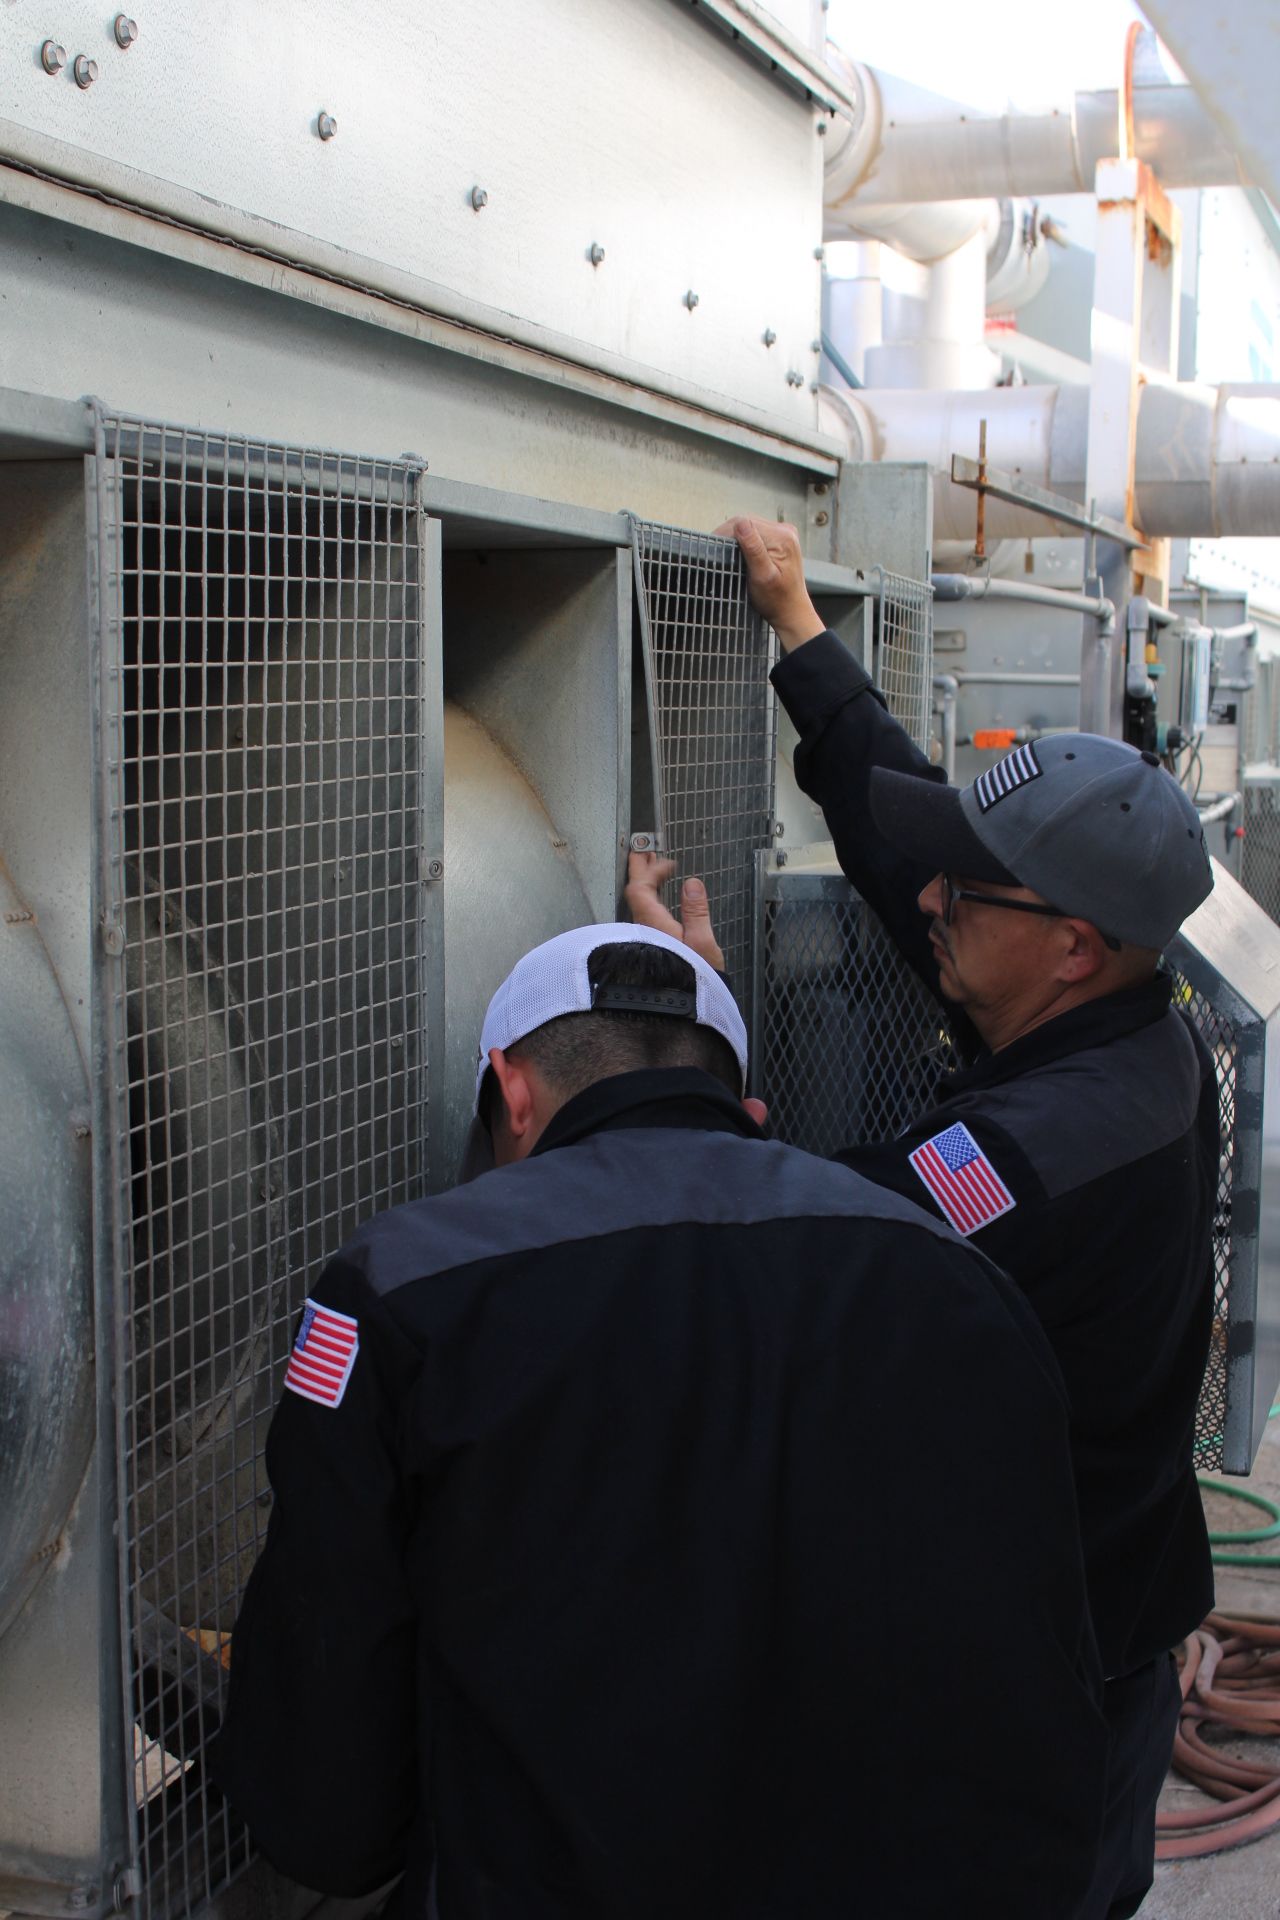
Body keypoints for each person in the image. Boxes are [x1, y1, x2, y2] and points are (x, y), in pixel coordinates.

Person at [213, 922, 1107, 1919]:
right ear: (747, 1108)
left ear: (510, 1090)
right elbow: (1040, 1654)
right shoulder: (953, 1276)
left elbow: (328, 1728)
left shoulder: (400, 1290)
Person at [628, 514, 1219, 1920]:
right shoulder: (1118, 1012)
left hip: (1039, 1691)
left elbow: (808, 1229)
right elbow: (924, 860)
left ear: (1071, 947)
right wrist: (797, 628)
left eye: (975, 886)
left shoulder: (1032, 1155)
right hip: (1089, 1604)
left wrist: (687, 1024)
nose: (931, 898)